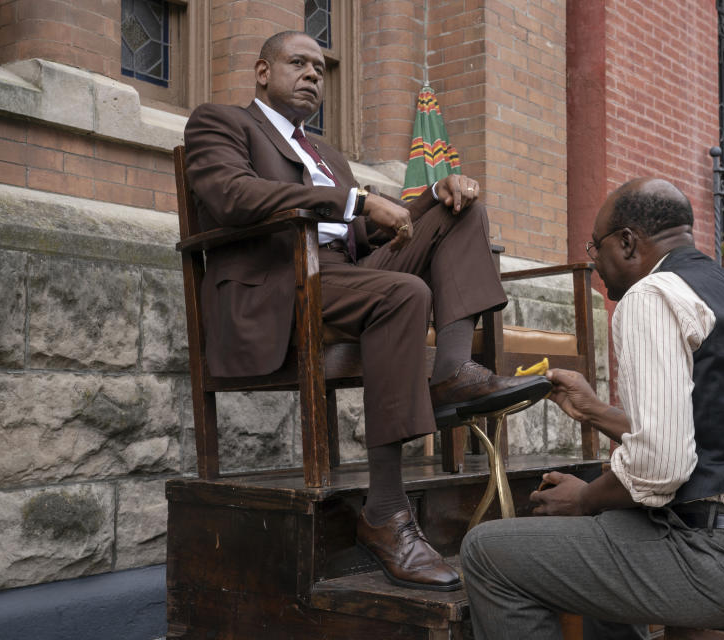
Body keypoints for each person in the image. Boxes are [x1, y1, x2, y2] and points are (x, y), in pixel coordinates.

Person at [183, 31, 550, 592]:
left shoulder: (327, 154)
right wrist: (354, 201)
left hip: (341, 270)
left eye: (319, 67)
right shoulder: (221, 123)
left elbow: (357, 234)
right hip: (277, 282)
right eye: (297, 63)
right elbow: (233, 197)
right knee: (403, 293)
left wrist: (429, 196)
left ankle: (451, 371)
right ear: (262, 72)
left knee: (463, 209)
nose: (313, 73)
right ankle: (385, 513)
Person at [460, 178, 724, 638]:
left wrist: (583, 498)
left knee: (488, 552)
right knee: (613, 527)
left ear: (626, 242)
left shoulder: (651, 295)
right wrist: (595, 411)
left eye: (594, 247)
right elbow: (710, 440)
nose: (592, 262)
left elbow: (662, 468)